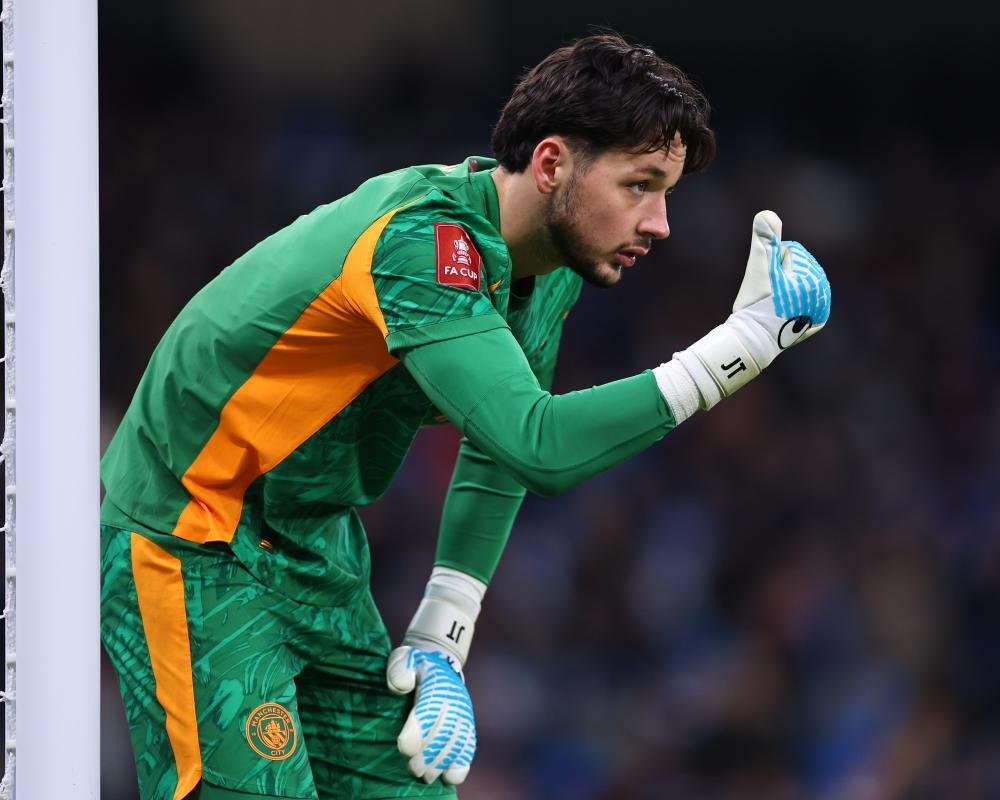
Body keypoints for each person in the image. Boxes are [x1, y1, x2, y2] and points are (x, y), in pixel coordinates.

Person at [100, 31, 831, 800]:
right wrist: (737, 350)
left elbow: (494, 445)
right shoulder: (422, 242)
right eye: (638, 185)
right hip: (192, 535)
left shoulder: (546, 266)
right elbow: (537, 444)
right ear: (552, 164)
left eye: (666, 194)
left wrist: (443, 631)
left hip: (313, 547)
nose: (660, 223)